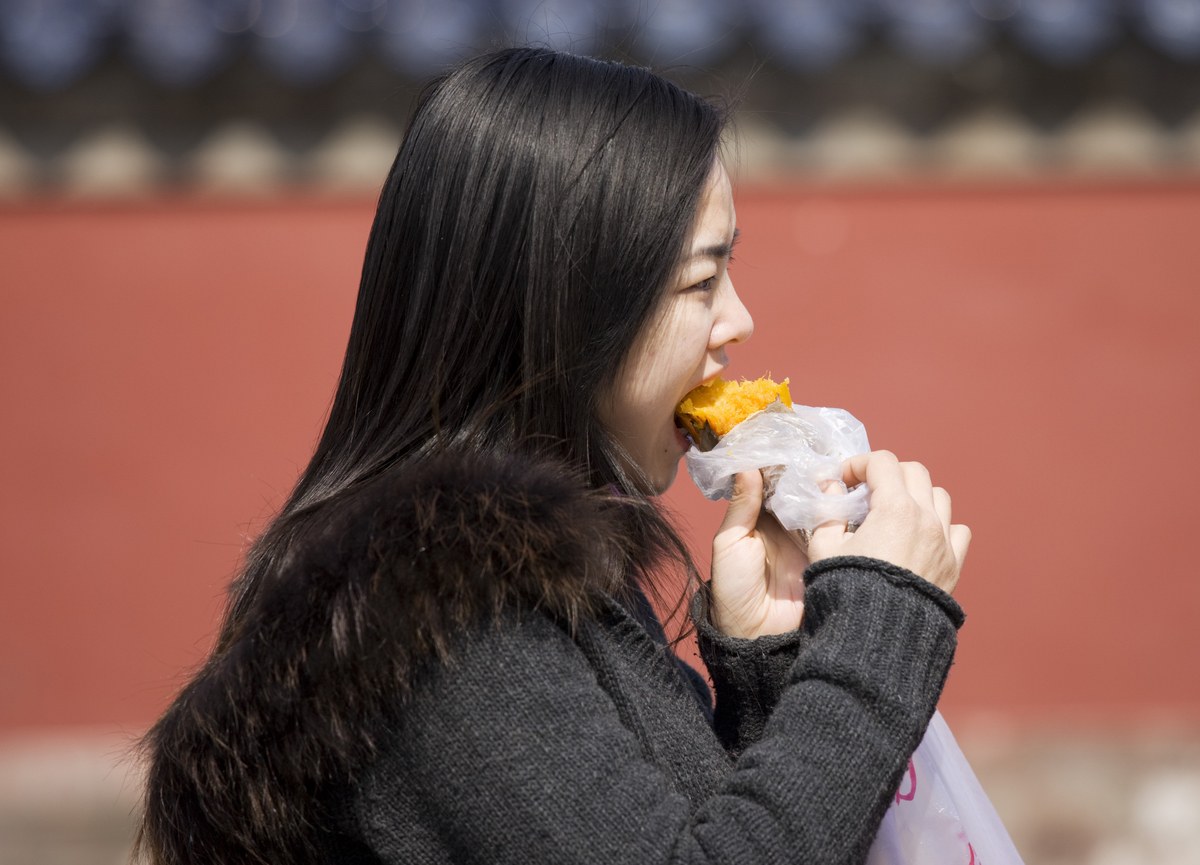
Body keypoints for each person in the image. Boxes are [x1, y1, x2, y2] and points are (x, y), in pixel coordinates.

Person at [137, 47, 971, 864]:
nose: (738, 321)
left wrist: (765, 665)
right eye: (699, 282)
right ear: (573, 303)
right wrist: (879, 628)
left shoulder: (532, 577)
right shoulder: (439, 613)